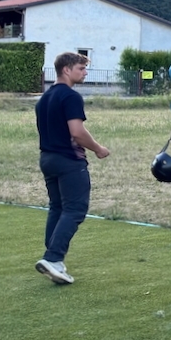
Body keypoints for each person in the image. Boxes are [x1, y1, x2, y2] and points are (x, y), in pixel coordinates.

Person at [34, 52, 111, 285]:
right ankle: (53, 258)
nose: (85, 72)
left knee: (57, 207)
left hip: (47, 159)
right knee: (75, 208)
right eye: (81, 68)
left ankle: (52, 258)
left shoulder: (44, 98)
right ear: (66, 69)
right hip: (68, 160)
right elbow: (76, 132)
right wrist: (98, 148)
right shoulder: (70, 97)